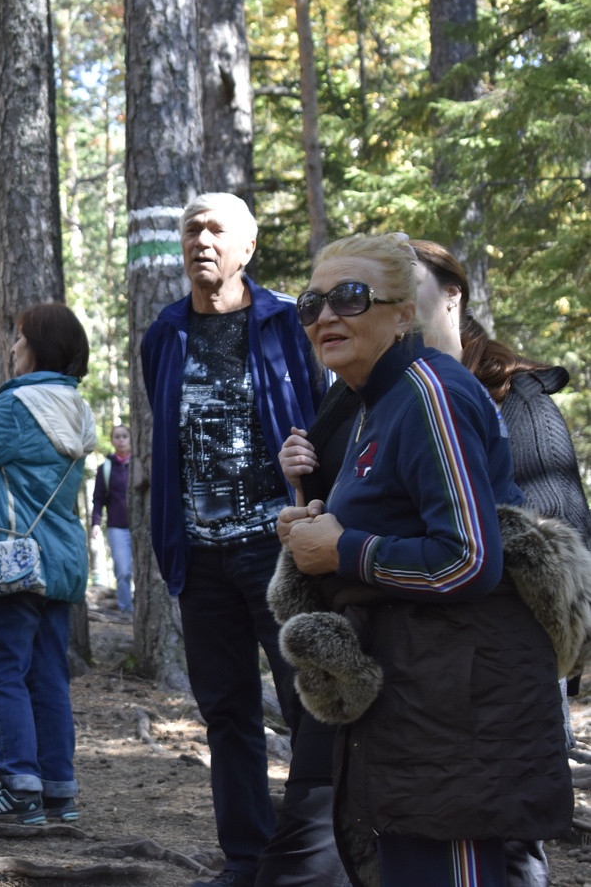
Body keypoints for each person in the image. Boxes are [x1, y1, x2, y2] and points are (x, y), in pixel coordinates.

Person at [271, 236, 590, 887]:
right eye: (312, 303)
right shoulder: (372, 403)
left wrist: (342, 548)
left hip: (461, 703)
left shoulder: (428, 393)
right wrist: (314, 531)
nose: (326, 315)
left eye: (350, 297)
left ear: (400, 314)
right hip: (422, 698)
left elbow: (470, 559)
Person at [139, 192, 319, 887]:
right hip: (201, 555)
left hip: (279, 547)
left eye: (217, 229)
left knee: (307, 702)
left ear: (247, 247)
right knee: (226, 713)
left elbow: (322, 416)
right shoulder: (165, 334)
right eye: (191, 228)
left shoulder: (285, 325)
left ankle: (312, 853)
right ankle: (247, 859)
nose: (201, 240)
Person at [0, 302, 96, 826]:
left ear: (37, 347)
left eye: (18, 339)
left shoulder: (18, 407)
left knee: (0, 675)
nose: (12, 347)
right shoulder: (71, 407)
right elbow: (11, 458)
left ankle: (17, 789)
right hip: (56, 564)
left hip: (9, 564)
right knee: (47, 678)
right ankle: (58, 790)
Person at [91, 424, 133, 612]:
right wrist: (96, 523)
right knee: (123, 571)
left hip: (144, 527)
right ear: (112, 440)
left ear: (132, 438)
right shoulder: (106, 469)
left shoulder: (141, 463)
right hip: (117, 527)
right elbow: (98, 499)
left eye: (125, 436)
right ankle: (126, 609)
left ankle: (144, 608)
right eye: (117, 436)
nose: (121, 440)